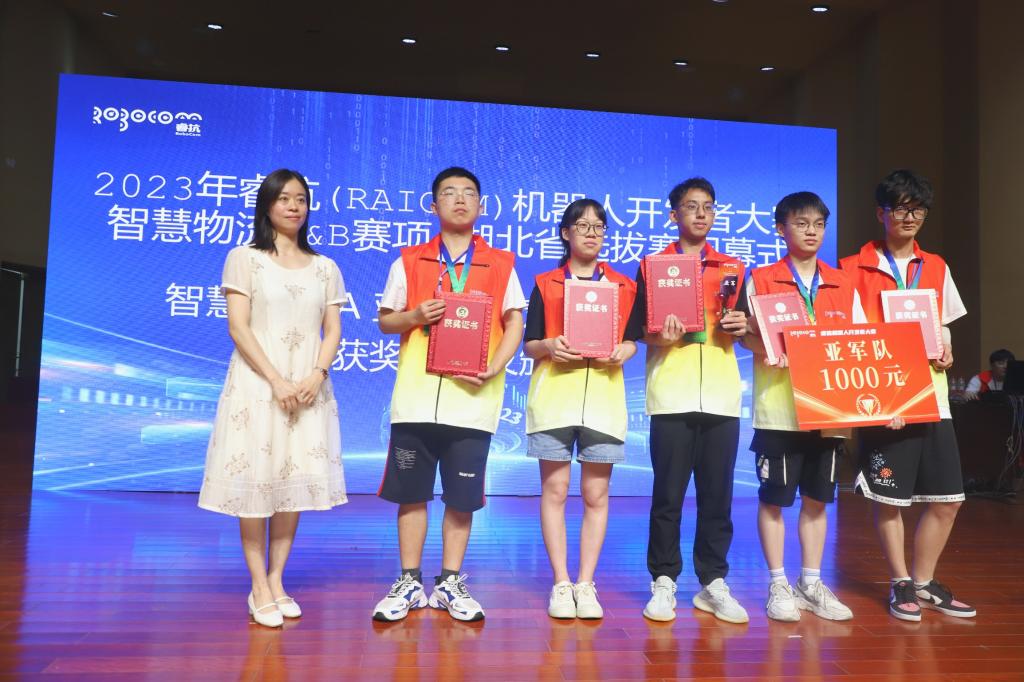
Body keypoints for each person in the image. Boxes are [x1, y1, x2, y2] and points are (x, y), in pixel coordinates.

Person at [371, 167, 526, 623]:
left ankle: (450, 582)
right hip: (416, 400)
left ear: (481, 206)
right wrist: (415, 316)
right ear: (433, 204)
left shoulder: (501, 264)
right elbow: (386, 320)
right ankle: (409, 581)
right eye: (449, 193)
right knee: (411, 494)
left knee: (462, 497)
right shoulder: (410, 260)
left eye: (469, 193)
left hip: (472, 401)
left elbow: (514, 321)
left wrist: (495, 366)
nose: (460, 199)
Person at [198, 169, 347, 628]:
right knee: (256, 485)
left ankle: (278, 579)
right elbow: (238, 327)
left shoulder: (325, 267)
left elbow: (333, 329)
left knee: (291, 486)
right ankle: (258, 586)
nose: (294, 206)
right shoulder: (245, 258)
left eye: (301, 199)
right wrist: (277, 380)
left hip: (308, 388)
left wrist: (316, 374)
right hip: (258, 386)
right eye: (284, 198)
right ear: (266, 205)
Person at [840, 169, 976, 621]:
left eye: (918, 209)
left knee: (949, 499)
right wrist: (880, 400)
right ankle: (900, 582)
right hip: (886, 398)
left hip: (932, 397)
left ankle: (924, 581)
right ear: (881, 213)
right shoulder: (852, 268)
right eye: (900, 208)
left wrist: (947, 350)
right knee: (890, 499)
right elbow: (853, 340)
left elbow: (944, 326)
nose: (910, 217)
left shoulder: (935, 266)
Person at [626, 177, 750, 624]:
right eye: (691, 206)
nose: (701, 214)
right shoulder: (653, 267)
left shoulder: (733, 268)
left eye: (708, 207)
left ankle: (713, 581)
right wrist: (661, 335)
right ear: (673, 214)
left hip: (721, 396)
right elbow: (639, 330)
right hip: (671, 396)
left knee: (718, 497)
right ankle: (663, 580)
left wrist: (744, 327)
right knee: (668, 495)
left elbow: (749, 332)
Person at [742, 192, 863, 622]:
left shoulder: (842, 283)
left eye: (818, 224)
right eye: (801, 223)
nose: (811, 231)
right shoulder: (761, 278)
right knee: (774, 499)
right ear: (781, 229)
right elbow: (745, 337)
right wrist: (771, 349)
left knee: (817, 499)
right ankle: (778, 584)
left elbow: (858, 341)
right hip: (778, 409)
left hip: (828, 410)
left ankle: (810, 583)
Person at [523, 199, 638, 620]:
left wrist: (625, 350)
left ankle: (586, 583)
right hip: (554, 400)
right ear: (565, 233)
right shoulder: (546, 283)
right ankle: (561, 582)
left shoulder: (624, 287)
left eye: (598, 226)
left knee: (596, 494)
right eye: (582, 226)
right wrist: (549, 346)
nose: (592, 233)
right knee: (554, 492)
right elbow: (530, 344)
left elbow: (632, 339)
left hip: (604, 402)